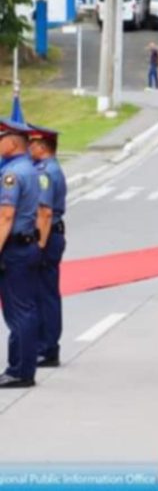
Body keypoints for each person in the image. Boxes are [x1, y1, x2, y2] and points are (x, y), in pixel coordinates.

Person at [0, 119, 41, 388]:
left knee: (18, 311)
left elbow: (6, 216)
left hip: (14, 248)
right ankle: (20, 366)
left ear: (13, 142)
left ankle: (20, 370)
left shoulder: (12, 174)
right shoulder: (31, 169)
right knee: (24, 309)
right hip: (26, 245)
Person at [27, 124, 67, 368]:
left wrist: (39, 244)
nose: (28, 148)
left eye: (31, 144)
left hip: (47, 235)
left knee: (44, 294)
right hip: (52, 234)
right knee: (45, 293)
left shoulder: (44, 173)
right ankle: (47, 345)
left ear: (41, 147)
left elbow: (44, 212)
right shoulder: (51, 169)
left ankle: (48, 347)